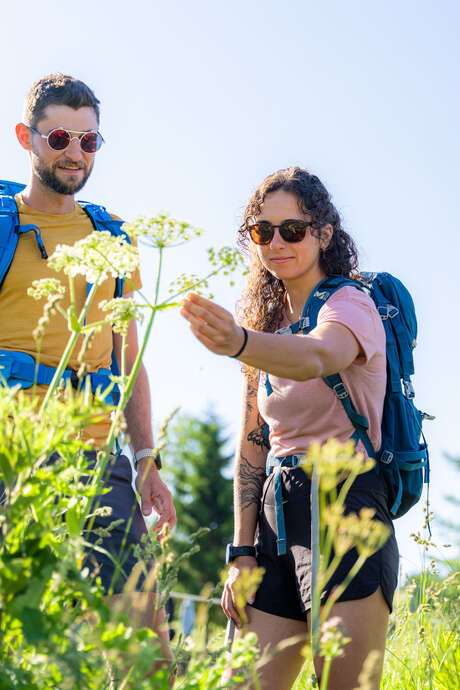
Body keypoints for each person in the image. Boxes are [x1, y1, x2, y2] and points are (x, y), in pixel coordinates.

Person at [180, 167, 399, 690]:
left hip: (345, 509)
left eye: (293, 230)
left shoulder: (351, 304)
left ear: (324, 234)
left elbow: (320, 355)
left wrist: (239, 342)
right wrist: (241, 553)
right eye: (263, 231)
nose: (277, 242)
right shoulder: (268, 330)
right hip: (276, 521)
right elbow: (254, 447)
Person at [1, 74, 176, 666]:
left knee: (146, 646)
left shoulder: (113, 238)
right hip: (13, 452)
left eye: (90, 141)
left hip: (98, 458)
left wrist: (147, 459)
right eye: (59, 139)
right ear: (27, 137)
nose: (75, 152)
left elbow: (129, 359)